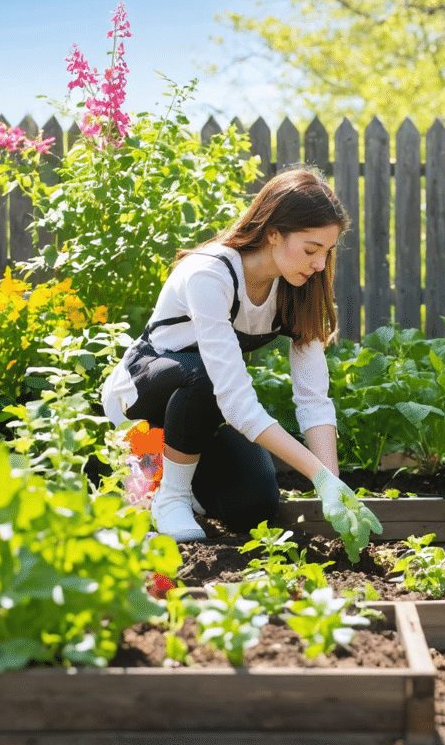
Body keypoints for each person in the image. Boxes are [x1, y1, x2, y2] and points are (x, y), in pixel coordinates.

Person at [101, 165, 381, 547]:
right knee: (203, 375)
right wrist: (315, 474)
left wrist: (334, 485)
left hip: (201, 413)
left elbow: (314, 399)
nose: (319, 265)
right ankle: (171, 497)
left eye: (327, 252)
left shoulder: (299, 288)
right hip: (144, 395)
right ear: (273, 233)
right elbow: (234, 398)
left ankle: (169, 481)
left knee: (254, 505)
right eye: (311, 250)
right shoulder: (210, 274)